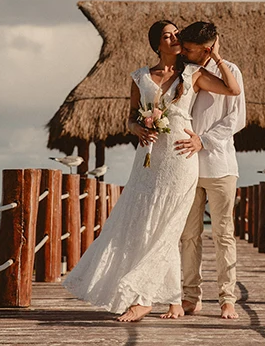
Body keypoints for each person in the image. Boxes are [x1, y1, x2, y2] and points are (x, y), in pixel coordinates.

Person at [62, 20, 241, 323]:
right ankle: (166, 298)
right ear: (157, 44)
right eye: (168, 36)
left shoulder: (193, 74)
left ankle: (150, 299)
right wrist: (139, 128)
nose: (174, 39)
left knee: (170, 227)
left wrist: (218, 56)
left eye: (176, 35)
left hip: (181, 160)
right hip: (149, 159)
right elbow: (129, 119)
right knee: (142, 223)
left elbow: (232, 90)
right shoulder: (140, 77)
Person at [175, 21, 245, 320]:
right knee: (189, 236)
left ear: (207, 47)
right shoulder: (185, 72)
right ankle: (191, 297)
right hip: (186, 167)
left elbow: (236, 119)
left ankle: (227, 299)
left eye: (190, 49)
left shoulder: (231, 71)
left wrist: (202, 141)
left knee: (223, 234)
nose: (185, 53)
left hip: (220, 167)